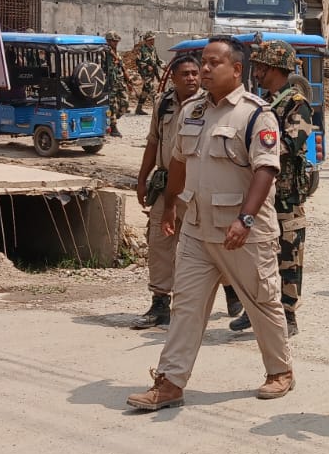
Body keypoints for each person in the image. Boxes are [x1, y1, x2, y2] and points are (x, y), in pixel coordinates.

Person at [126, 38, 294, 411]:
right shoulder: (191, 111)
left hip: (242, 232)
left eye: (213, 63)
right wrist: (169, 207)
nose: (204, 69)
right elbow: (179, 164)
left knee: (261, 302)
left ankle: (280, 371)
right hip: (197, 229)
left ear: (236, 70)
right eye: (203, 62)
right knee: (186, 304)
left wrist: (246, 219)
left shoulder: (256, 114)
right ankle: (170, 382)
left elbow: (266, 169)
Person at [235, 40, 313, 336]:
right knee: (257, 255)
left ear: (275, 68)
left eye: (260, 67)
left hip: (286, 195)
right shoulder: (262, 102)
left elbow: (292, 142)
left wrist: (253, 152)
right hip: (259, 193)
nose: (256, 72)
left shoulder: (296, 103)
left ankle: (288, 314)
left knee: (288, 255)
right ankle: (255, 308)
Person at [132, 52, 202, 330]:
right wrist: (141, 179)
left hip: (196, 184)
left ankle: (230, 290)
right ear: (173, 77)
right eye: (185, 74)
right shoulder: (163, 104)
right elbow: (153, 142)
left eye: (195, 73)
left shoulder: (209, 105)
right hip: (165, 184)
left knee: (208, 241)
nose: (191, 78)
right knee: (160, 242)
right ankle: (160, 302)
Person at [132, 32, 165, 116]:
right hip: (145, 74)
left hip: (153, 73)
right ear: (146, 41)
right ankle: (158, 109)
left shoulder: (153, 49)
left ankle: (138, 109)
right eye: (150, 40)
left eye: (153, 39)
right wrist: (146, 66)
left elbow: (157, 60)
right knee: (152, 89)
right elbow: (138, 61)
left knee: (145, 91)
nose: (152, 41)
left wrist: (162, 66)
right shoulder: (142, 50)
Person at [103, 33, 127, 137]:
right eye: (114, 41)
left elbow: (122, 68)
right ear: (108, 41)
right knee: (111, 106)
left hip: (120, 82)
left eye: (117, 41)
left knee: (125, 104)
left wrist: (128, 79)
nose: (116, 43)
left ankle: (109, 120)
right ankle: (113, 126)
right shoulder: (104, 54)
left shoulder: (117, 54)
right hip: (110, 83)